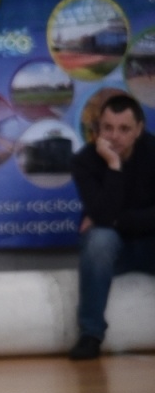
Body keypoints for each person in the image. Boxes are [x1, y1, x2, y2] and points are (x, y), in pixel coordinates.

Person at [69, 93, 155, 360]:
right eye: (108, 128)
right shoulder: (85, 161)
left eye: (124, 129)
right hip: (114, 252)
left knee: (104, 229)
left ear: (139, 130)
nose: (115, 136)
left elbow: (107, 216)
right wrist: (114, 166)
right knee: (99, 240)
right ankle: (91, 335)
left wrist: (117, 220)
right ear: (97, 129)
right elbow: (103, 215)